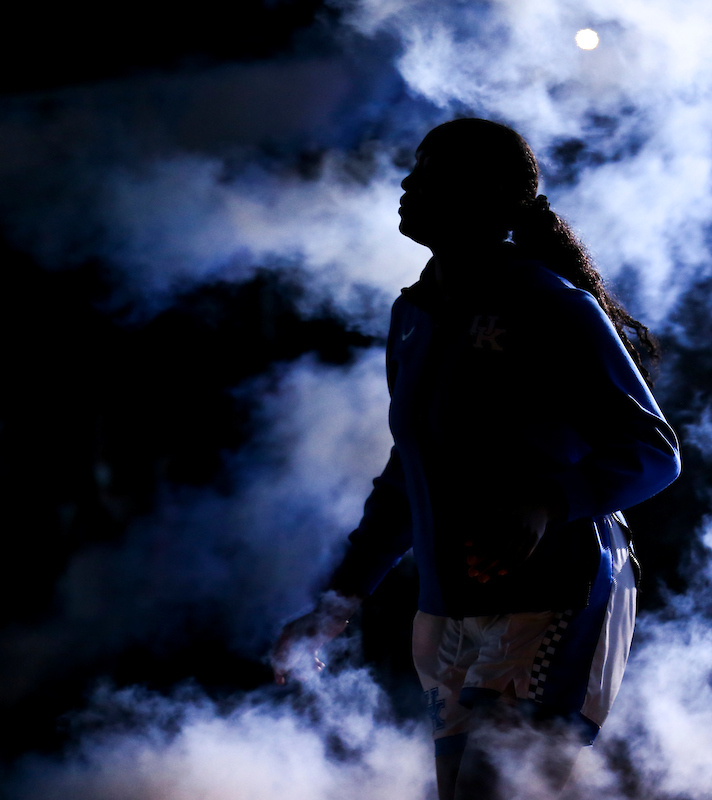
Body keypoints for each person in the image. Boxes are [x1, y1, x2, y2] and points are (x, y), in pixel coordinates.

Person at [271, 118, 681, 800]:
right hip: (449, 608)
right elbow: (408, 477)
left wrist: (549, 502)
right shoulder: (414, 314)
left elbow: (653, 452)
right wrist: (337, 600)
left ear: (483, 192)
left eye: (427, 171)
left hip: (555, 592)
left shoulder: (550, 302)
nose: (407, 183)